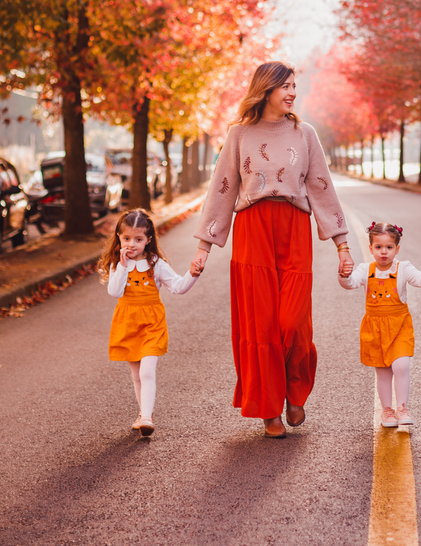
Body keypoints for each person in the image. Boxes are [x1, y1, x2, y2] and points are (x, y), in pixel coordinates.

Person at [190, 61, 353, 439]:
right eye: (286, 86)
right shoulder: (240, 134)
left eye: (295, 86)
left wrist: (343, 246)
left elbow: (322, 188)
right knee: (261, 323)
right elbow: (223, 189)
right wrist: (204, 247)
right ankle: (269, 409)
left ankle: (295, 391)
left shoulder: (304, 133)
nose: (293, 92)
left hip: (294, 229)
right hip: (253, 232)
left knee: (292, 321)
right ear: (266, 90)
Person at [103, 208, 198, 437]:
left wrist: (193, 274)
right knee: (136, 375)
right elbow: (114, 291)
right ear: (119, 238)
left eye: (138, 239)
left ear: (148, 240)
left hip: (152, 324)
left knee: (147, 371)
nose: (132, 244)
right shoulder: (118, 265)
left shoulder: (156, 264)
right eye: (126, 238)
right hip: (127, 323)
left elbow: (177, 287)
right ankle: (144, 414)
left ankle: (146, 417)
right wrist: (123, 267)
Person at [340, 222, 421, 427]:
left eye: (389, 247)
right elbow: (351, 283)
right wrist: (343, 275)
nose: (384, 252)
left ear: (397, 248)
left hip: (399, 326)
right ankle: (387, 410)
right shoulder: (365, 269)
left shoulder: (403, 268)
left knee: (401, 365)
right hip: (375, 327)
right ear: (370, 249)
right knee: (383, 371)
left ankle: (402, 407)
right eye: (378, 247)